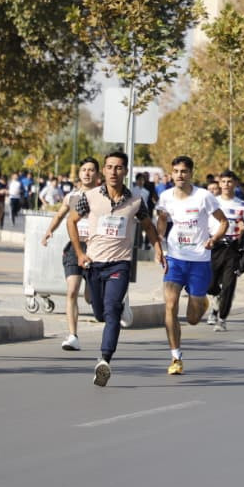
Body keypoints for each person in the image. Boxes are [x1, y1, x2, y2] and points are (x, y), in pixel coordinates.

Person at [66, 150, 166, 387]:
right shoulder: (89, 197)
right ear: (104, 170)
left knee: (111, 311)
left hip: (120, 264)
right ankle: (120, 306)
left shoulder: (136, 201)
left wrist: (158, 249)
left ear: (125, 171)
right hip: (93, 264)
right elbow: (71, 221)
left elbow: (148, 226)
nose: (114, 172)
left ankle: (104, 360)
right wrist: (80, 253)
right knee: (100, 313)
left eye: (118, 167)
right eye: (109, 167)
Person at [154, 156, 228, 375]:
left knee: (193, 320)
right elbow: (162, 218)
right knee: (170, 305)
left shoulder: (204, 196)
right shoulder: (165, 196)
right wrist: (159, 238)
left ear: (191, 173)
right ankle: (176, 357)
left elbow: (224, 222)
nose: (179, 175)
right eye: (176, 171)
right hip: (175, 258)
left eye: (184, 171)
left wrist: (213, 239)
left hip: (199, 261)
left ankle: (202, 303)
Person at [42, 157, 99, 352]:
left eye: (91, 170)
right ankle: (73, 335)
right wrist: (49, 231)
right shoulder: (71, 197)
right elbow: (59, 215)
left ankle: (106, 296)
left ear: (97, 175)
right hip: (75, 247)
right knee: (72, 291)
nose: (87, 173)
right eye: (84, 169)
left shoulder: (103, 196)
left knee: (91, 298)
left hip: (96, 249)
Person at [207, 169, 244, 330]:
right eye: (223, 181)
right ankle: (216, 302)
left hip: (233, 248)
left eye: (229, 181)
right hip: (214, 246)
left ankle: (222, 318)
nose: (226, 185)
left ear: (235, 184)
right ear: (219, 184)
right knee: (210, 284)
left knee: (228, 284)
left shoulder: (242, 205)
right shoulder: (212, 202)